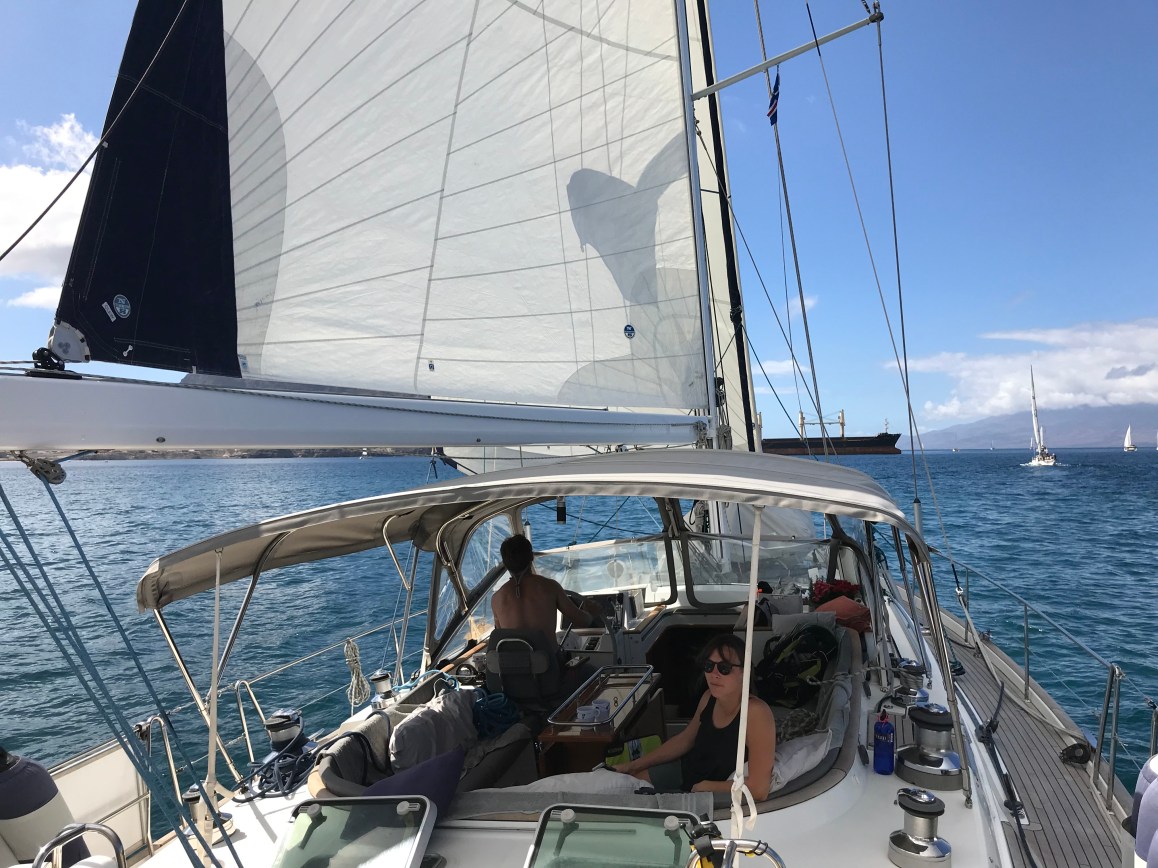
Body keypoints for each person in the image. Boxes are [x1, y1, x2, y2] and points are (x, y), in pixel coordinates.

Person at [612, 634, 776, 800]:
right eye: (709, 666)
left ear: (744, 672)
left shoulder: (756, 713)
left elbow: (759, 788)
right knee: (627, 784)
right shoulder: (708, 698)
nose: (714, 674)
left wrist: (707, 787)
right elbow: (686, 740)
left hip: (708, 791)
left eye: (724, 668)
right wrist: (633, 766)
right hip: (686, 771)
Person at [491, 534, 602, 650]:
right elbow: (582, 621)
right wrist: (591, 613)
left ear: (505, 563)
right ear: (532, 557)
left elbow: (500, 635)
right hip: (548, 661)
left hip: (512, 661)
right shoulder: (550, 587)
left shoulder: (496, 599)